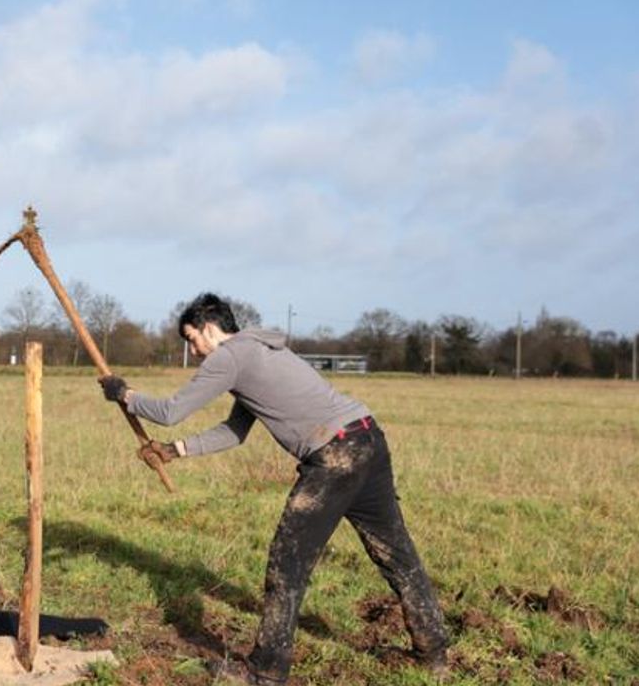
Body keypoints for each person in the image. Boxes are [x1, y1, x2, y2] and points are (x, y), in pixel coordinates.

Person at [99, 293, 448, 684]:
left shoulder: (230, 357)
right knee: (396, 554)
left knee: (287, 565)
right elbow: (235, 432)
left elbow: (170, 412)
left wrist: (125, 395)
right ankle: (432, 652)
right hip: (367, 439)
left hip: (334, 456)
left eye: (193, 339)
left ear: (211, 329)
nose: (194, 351)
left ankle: (265, 671)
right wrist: (175, 451)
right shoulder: (258, 352)